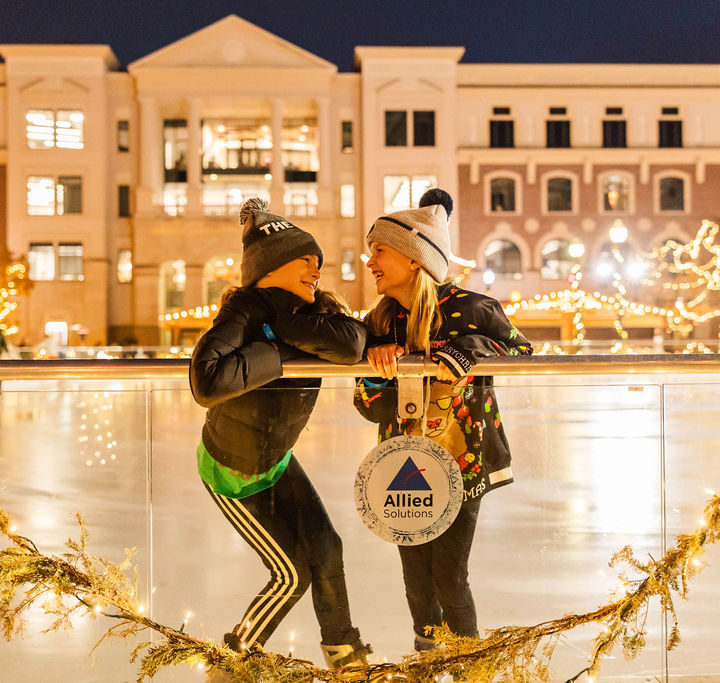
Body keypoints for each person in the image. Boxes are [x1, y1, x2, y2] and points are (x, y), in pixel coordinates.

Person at [190, 198, 370, 669]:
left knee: (327, 548)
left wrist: (286, 328)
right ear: (270, 266)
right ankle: (235, 662)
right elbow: (206, 381)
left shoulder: (312, 312)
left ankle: (346, 658)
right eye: (305, 259)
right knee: (291, 575)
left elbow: (352, 345)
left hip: (276, 459)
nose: (317, 269)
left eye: (318, 262)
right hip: (233, 469)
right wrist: (279, 353)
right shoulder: (243, 313)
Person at [353, 188, 532, 651]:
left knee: (450, 578)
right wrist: (375, 367)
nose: (369, 262)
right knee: (416, 582)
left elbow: (522, 353)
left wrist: (469, 351)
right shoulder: (380, 322)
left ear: (415, 260)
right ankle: (426, 663)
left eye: (379, 251)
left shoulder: (473, 310)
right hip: (401, 466)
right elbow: (368, 406)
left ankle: (473, 665)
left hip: (463, 461)